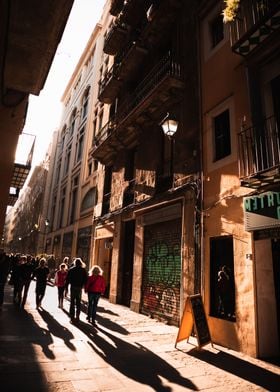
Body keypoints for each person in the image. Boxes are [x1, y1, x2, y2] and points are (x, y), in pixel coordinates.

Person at [66, 257, 88, 322]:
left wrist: (66, 288)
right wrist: (84, 287)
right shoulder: (83, 270)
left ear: (75, 263)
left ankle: (72, 317)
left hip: (73, 287)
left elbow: (67, 279)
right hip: (79, 287)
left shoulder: (71, 269)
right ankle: (77, 316)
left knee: (72, 302)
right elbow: (85, 280)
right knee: (78, 302)